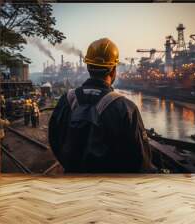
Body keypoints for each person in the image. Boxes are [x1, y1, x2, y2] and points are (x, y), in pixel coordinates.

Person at [48, 38, 153, 173]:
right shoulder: (125, 108)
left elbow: (54, 140)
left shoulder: (67, 100)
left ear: (87, 67)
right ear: (113, 70)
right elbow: (140, 161)